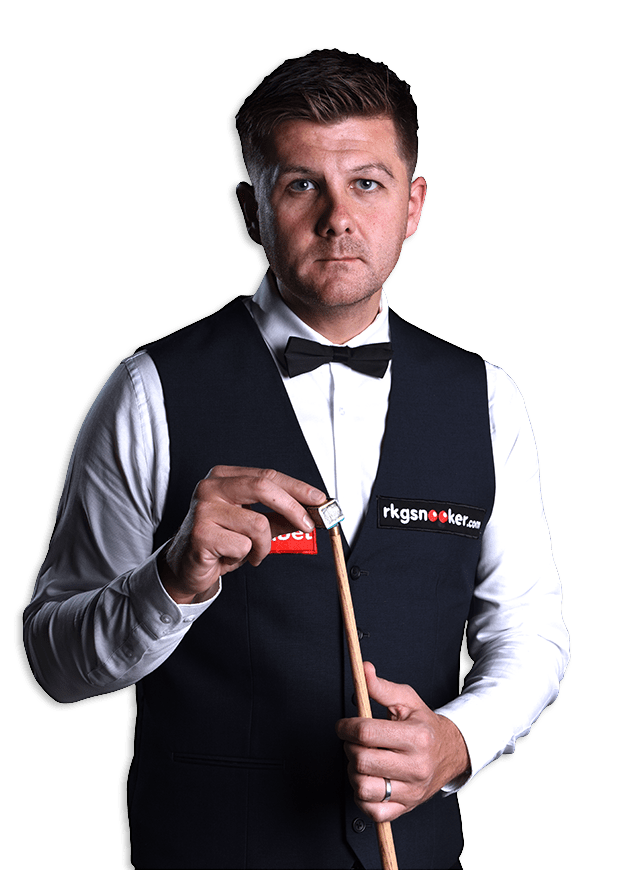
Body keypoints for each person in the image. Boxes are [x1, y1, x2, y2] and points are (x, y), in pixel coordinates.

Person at [22, 47, 570, 870]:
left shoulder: (487, 398)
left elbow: (530, 636)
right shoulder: (148, 390)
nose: (338, 218)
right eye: (301, 185)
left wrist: (458, 741)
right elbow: (54, 664)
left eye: (368, 183)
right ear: (249, 210)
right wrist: (170, 583)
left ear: (413, 204)